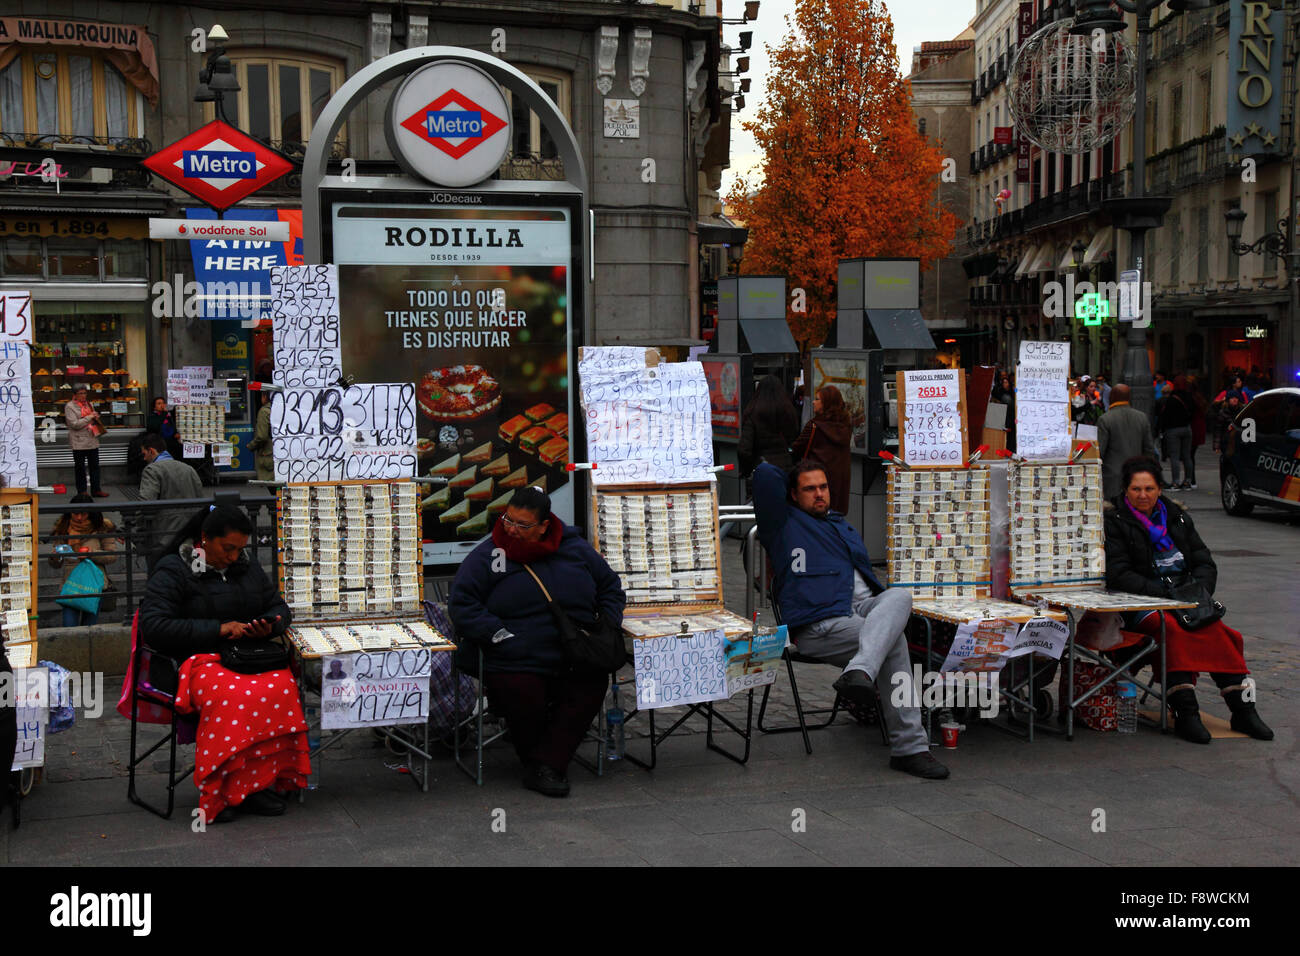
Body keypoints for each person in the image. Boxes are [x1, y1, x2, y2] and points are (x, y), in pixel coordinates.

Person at [753, 460, 948, 779]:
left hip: (864, 612)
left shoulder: (841, 525)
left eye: (823, 487)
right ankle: (910, 748)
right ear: (792, 494)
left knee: (899, 596)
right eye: (809, 488)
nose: (819, 494)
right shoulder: (783, 523)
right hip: (820, 623)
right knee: (893, 641)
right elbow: (764, 474)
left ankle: (861, 669)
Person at [449, 487, 625, 797]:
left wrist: (607, 623)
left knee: (591, 683)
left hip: (575, 648)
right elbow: (462, 604)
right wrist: (498, 634)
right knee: (521, 690)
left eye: (522, 524)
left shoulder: (575, 548)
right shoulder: (490, 555)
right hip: (514, 653)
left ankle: (545, 763)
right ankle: (546, 764)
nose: (511, 529)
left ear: (544, 526)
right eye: (508, 519)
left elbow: (610, 587)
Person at [138, 505, 306, 823]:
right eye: (227, 548)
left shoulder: (246, 565)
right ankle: (222, 789)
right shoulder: (175, 568)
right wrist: (218, 629)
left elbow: (278, 605)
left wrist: (271, 623)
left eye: (239, 549)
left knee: (282, 686)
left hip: (243, 656)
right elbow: (155, 627)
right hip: (191, 661)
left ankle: (257, 784)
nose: (233, 557)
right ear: (204, 539)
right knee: (233, 695)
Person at [1104, 456, 1272, 745]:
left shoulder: (1177, 516)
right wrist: (1166, 594)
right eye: (1136, 489)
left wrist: (1198, 594)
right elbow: (1119, 575)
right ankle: (1185, 711)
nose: (1143, 495)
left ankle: (1242, 709)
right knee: (1171, 629)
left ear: (1159, 489)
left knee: (1218, 631)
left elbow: (1204, 562)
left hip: (1185, 598)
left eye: (1149, 488)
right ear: (1126, 490)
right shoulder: (1115, 520)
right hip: (1139, 603)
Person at [48, 494, 120, 627]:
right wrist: (55, 557)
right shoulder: (63, 528)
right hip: (71, 584)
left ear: (90, 513)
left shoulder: (102, 527)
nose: (79, 518)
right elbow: (56, 564)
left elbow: (112, 555)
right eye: (75, 514)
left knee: (90, 627)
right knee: (69, 626)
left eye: (84, 514)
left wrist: (90, 553)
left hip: (93, 584)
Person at [138, 434, 205, 571]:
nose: (143, 458)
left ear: (151, 451)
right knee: (191, 576)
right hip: (190, 534)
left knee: (161, 575)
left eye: (144, 453)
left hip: (164, 535)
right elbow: (201, 499)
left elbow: (146, 503)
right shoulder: (189, 469)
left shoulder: (152, 470)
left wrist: (129, 526)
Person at [791, 385, 853, 515]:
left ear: (827, 404)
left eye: (818, 399)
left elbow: (797, 448)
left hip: (816, 481)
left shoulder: (814, 426)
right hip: (839, 483)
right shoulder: (846, 426)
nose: (813, 402)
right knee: (834, 518)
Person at [1097, 384, 1156, 499]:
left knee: (1115, 509)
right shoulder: (1142, 417)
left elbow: (1100, 451)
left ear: (1111, 397)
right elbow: (1149, 449)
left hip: (1113, 476)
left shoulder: (1105, 419)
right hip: (1137, 474)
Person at [737, 374, 800, 479]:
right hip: (786, 468)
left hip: (763, 468)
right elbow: (794, 439)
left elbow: (744, 450)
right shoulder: (789, 412)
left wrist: (747, 470)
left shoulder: (753, 413)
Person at [64, 385, 108, 497]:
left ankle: (96, 489)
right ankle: (82, 491)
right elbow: (74, 425)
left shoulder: (89, 404)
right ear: (75, 395)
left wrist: (95, 417)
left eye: (85, 393)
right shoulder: (69, 406)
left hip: (92, 439)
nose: (83, 396)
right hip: (78, 442)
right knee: (80, 468)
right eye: (80, 393)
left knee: (95, 467)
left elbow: (91, 419)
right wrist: (89, 417)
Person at [1155, 375, 1196, 489]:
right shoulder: (1189, 397)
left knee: (1175, 456)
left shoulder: (1172, 398)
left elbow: (1165, 416)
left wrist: (1161, 430)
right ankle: (1188, 481)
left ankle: (1175, 482)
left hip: (1173, 429)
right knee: (1187, 456)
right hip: (1187, 428)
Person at [248, 392, 274, 481]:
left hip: (268, 454)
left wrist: (251, 445)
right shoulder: (282, 409)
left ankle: (278, 495)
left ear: (265, 397)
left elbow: (262, 436)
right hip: (281, 453)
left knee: (273, 485)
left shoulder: (264, 411)